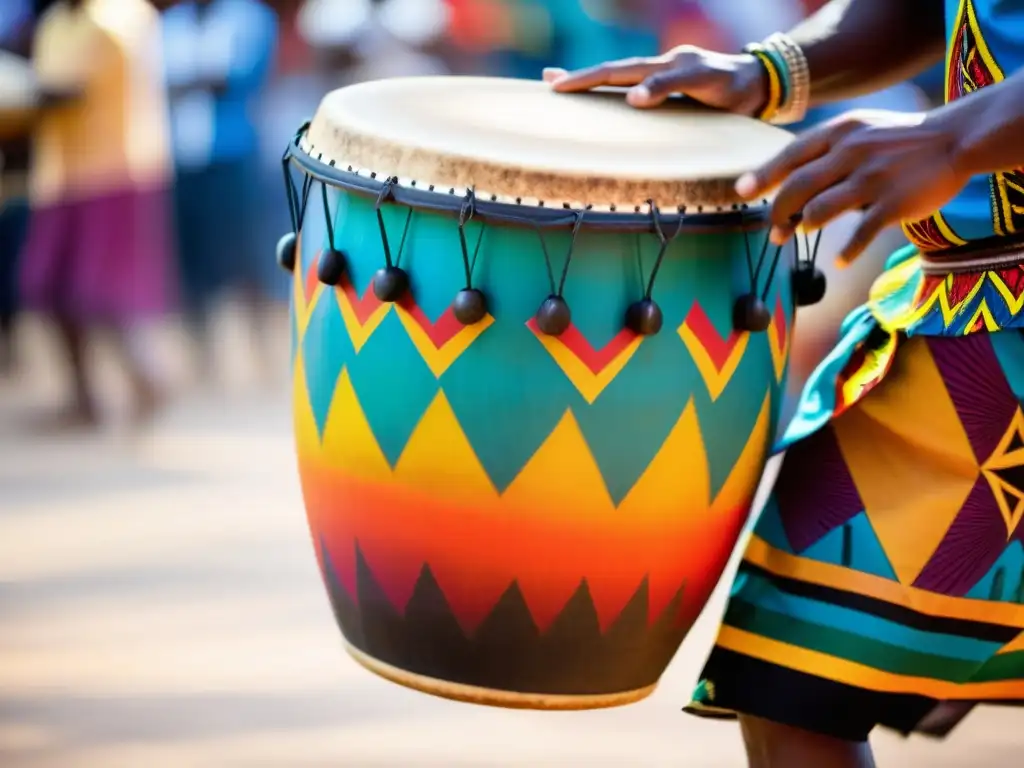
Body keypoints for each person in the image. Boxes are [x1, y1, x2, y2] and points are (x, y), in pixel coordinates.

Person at [547, 0, 1024, 765]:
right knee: (790, 679)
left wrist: (955, 136)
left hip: (977, 292)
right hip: (964, 318)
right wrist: (766, 72)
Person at [21, 0, 174, 428]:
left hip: (115, 173)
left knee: (103, 291)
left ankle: (150, 376)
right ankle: (84, 396)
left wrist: (22, 93)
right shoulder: (55, 22)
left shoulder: (122, 16)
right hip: (60, 175)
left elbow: (69, 91)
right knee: (49, 287)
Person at [160, 0, 278, 382]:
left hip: (233, 154)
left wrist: (187, 83)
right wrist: (202, 80)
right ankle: (203, 360)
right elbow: (160, 84)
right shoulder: (169, 23)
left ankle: (263, 353)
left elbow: (239, 77)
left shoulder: (249, 17)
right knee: (190, 259)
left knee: (245, 258)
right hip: (182, 157)